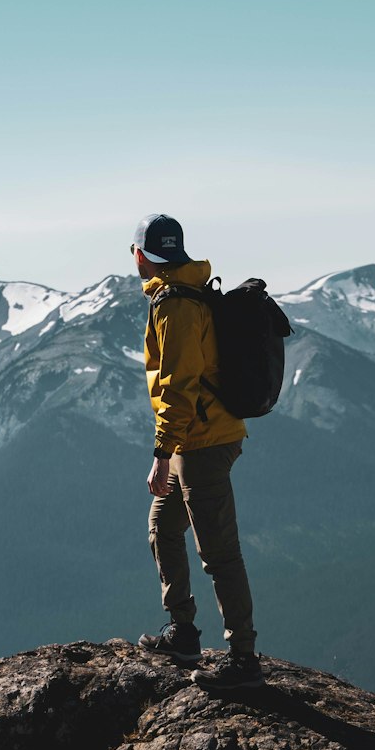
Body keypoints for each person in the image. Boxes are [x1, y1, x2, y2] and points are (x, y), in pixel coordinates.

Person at [131, 212, 264, 691]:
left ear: (141, 255)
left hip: (202, 440)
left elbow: (178, 386)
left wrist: (162, 452)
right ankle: (183, 631)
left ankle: (243, 659)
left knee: (218, 552)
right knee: (163, 526)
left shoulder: (175, 305)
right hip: (204, 434)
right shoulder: (186, 292)